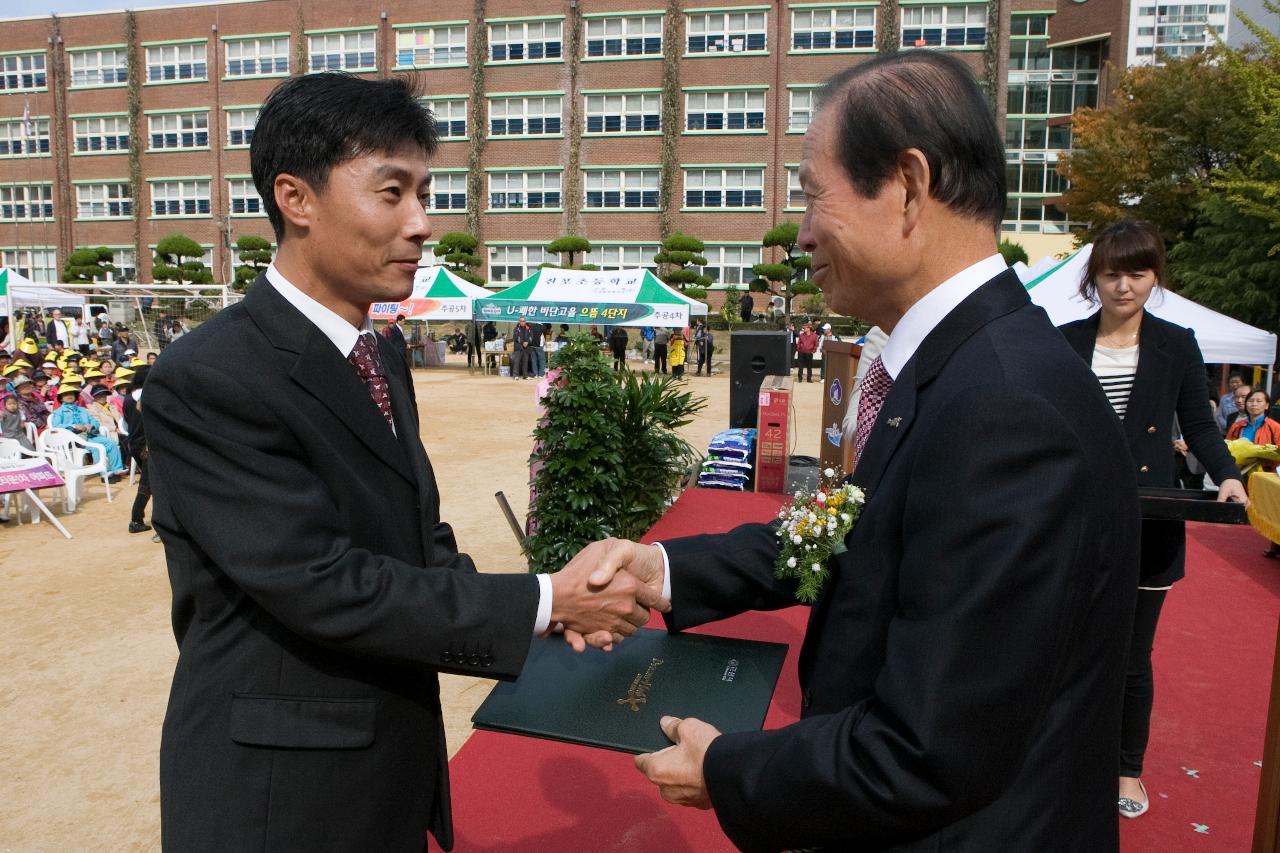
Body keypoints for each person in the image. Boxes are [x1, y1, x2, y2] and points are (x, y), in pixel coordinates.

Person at [565, 50, 1141, 852]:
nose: (799, 235)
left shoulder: (1002, 409)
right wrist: (663, 571)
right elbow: (846, 534)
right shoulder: (958, 366)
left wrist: (730, 771)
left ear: (907, 185)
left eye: (810, 196)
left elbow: (928, 749)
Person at [142, 72, 661, 853]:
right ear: (297, 197)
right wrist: (547, 601)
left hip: (388, 764)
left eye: (425, 191)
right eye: (392, 193)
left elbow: (420, 543)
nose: (423, 223)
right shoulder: (209, 376)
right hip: (281, 800)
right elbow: (323, 583)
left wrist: (545, 611)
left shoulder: (380, 353)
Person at [1058, 219, 1246, 821]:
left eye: (1137, 273)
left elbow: (1199, 424)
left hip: (1150, 521)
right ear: (1094, 278)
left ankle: (1126, 768)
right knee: (1066, 648)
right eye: (1112, 273)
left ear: (1154, 276)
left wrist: (1230, 476)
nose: (1123, 286)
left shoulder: (1175, 342)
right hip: (1076, 522)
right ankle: (1058, 759)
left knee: (1133, 658)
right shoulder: (1062, 340)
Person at [49, 384, 124, 477]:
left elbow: (95, 422)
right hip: (73, 439)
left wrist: (91, 425)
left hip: (89, 436)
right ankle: (104, 472)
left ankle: (117, 469)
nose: (69, 396)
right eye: (66, 394)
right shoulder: (58, 412)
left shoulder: (82, 410)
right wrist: (73, 426)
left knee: (110, 442)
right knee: (97, 447)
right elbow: (56, 427)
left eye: (71, 394)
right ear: (61, 398)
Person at [122, 365, 153, 534]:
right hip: (146, 445)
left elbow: (126, 421)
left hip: (133, 443)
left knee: (150, 482)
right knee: (148, 484)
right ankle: (136, 519)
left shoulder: (128, 398)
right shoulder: (147, 396)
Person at [1227, 388, 1280, 466]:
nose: (1254, 404)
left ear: (1267, 405)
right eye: (1250, 401)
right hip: (1238, 471)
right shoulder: (1237, 426)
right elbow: (1227, 448)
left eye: (1259, 401)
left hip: (1265, 473)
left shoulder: (1275, 427)